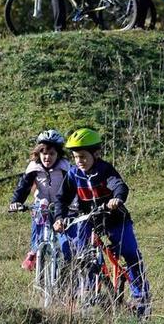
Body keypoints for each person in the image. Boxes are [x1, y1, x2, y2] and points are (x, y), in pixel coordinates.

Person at [52, 128, 150, 314]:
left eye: (82, 156)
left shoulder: (105, 170)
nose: (79, 161)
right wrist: (58, 218)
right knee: (82, 255)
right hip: (87, 219)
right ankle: (87, 292)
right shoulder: (74, 174)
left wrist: (117, 198)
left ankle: (141, 298)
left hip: (114, 218)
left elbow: (119, 185)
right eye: (75, 157)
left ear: (95, 154)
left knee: (130, 255)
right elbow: (62, 199)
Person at [8, 129, 72, 270]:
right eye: (44, 153)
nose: (47, 157)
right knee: (40, 210)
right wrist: (16, 202)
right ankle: (34, 251)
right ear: (38, 153)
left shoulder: (65, 168)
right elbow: (23, 187)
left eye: (51, 154)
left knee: (65, 236)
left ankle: (67, 258)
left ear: (58, 155)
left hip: (61, 204)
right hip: (42, 202)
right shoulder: (34, 167)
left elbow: (73, 187)